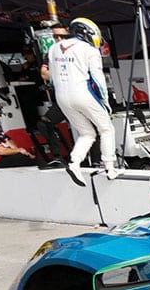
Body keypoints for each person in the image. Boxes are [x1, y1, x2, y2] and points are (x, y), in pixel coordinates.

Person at [47, 17, 118, 186]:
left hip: (61, 96)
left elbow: (51, 78)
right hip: (83, 93)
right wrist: (105, 102)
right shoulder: (89, 50)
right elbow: (98, 79)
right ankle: (110, 167)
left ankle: (74, 163)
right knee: (106, 129)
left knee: (86, 133)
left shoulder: (54, 49)